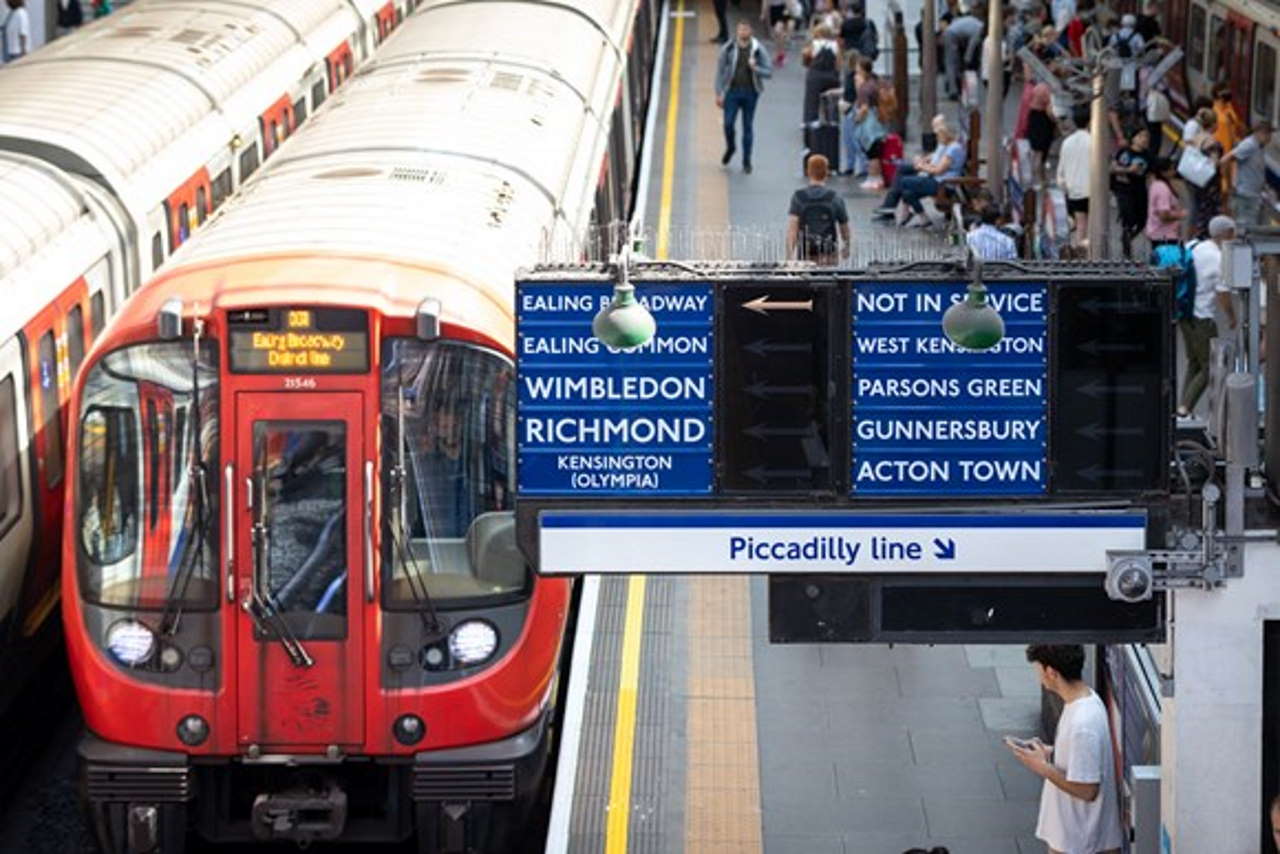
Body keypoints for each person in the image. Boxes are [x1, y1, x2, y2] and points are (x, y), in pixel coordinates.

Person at [1007, 645, 1123, 854]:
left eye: (1038, 669)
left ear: (1051, 672)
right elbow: (1085, 756)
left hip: (1079, 842)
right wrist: (1051, 750)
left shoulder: (1082, 724)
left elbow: (1087, 790)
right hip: (1077, 838)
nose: (1038, 675)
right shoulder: (1088, 700)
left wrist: (1041, 767)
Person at [1177, 215, 1238, 417]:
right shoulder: (1219, 258)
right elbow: (1222, 293)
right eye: (1233, 232)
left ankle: (1181, 408)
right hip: (1203, 318)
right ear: (1226, 233)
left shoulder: (1194, 246)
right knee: (1209, 367)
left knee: (1194, 362)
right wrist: (1231, 316)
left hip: (1184, 313)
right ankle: (1185, 408)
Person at [871, 121, 966, 227]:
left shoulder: (953, 149)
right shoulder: (950, 146)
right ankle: (923, 217)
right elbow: (936, 164)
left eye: (938, 135)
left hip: (941, 184)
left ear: (945, 135)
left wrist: (922, 167)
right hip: (937, 180)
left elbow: (938, 170)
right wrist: (923, 164)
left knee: (903, 181)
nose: (937, 138)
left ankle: (896, 209)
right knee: (907, 192)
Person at [715, 20, 774, 175]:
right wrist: (719, 93)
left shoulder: (758, 50)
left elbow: (769, 72)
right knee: (728, 124)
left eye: (746, 29)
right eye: (740, 29)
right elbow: (720, 71)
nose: (743, 32)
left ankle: (747, 161)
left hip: (750, 92)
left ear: (751, 31)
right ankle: (731, 147)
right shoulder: (728, 48)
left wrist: (756, 68)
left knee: (748, 127)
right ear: (737, 31)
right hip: (732, 92)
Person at [787, 153, 851, 264]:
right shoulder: (834, 197)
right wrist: (847, 245)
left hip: (806, 251)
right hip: (829, 251)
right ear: (826, 173)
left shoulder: (798, 197)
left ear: (808, 172)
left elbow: (793, 228)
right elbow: (844, 227)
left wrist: (789, 254)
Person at [1221, 121, 1273, 228]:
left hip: (1254, 195)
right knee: (1245, 229)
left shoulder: (1259, 147)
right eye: (1267, 134)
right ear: (1259, 133)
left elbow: (1256, 170)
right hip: (1245, 195)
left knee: (1254, 228)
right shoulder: (1249, 145)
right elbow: (1225, 160)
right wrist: (1229, 184)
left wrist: (1265, 188)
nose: (1270, 137)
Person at [845, 57, 887, 188]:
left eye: (858, 69)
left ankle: (874, 178)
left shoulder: (865, 88)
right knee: (874, 151)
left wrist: (857, 118)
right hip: (877, 120)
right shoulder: (874, 83)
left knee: (871, 152)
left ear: (862, 70)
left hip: (870, 124)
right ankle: (875, 177)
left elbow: (864, 108)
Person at [1111, 127, 1152, 258]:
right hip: (1125, 189)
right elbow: (1113, 168)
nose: (1144, 139)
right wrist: (1129, 170)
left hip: (1140, 190)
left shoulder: (1148, 155)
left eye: (1146, 137)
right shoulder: (1125, 153)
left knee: (1142, 219)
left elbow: (1150, 174)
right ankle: (1126, 240)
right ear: (1133, 138)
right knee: (1128, 216)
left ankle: (1129, 236)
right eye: (1140, 136)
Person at [1056, 110, 1092, 247]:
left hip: (1073, 190)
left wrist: (1064, 187)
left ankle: (1078, 251)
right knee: (1091, 225)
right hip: (1091, 189)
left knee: (1080, 224)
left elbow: (1061, 170)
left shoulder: (1067, 142)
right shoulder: (1093, 142)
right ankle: (1091, 254)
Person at [1189, 112, 1224, 238]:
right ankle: (1204, 237)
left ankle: (1195, 235)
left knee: (1198, 209)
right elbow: (1213, 164)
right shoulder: (1211, 142)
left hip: (1196, 179)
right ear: (1214, 124)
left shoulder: (1197, 138)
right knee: (1208, 212)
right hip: (1209, 183)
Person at [802, 24, 842, 125]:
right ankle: (833, 120)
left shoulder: (814, 44)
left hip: (815, 75)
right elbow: (838, 63)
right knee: (832, 99)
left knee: (811, 99)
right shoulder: (835, 45)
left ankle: (811, 121)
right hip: (831, 76)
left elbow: (805, 56)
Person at [943, 2, 984, 100]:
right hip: (952, 35)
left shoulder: (974, 21)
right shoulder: (979, 28)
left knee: (952, 63)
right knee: (951, 63)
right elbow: (972, 46)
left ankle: (953, 87)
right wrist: (967, 59)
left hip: (951, 33)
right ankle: (953, 91)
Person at [1144, 157, 1186, 251]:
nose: (1174, 171)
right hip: (1165, 235)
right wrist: (1180, 215)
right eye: (1171, 169)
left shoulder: (1156, 185)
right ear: (1163, 172)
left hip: (1159, 233)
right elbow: (1163, 215)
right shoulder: (1162, 189)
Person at [1024, 74, 1055, 186]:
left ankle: (1039, 178)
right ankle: (1038, 179)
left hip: (1034, 118)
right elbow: (1050, 110)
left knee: (1036, 152)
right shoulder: (1048, 89)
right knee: (1040, 154)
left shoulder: (1038, 87)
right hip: (1043, 122)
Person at [1145, 82, 1170, 159]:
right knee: (1155, 134)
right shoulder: (1157, 77)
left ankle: (1152, 155)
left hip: (1152, 112)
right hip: (1153, 112)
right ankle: (1152, 155)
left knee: (1154, 134)